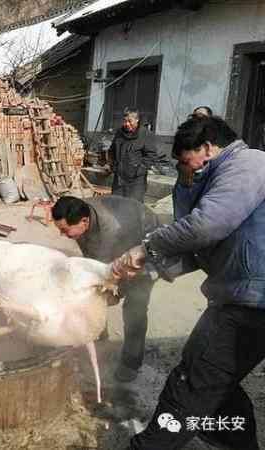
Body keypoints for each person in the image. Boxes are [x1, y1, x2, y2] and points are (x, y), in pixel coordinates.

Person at [114, 116, 265, 450]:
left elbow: (205, 226)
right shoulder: (217, 175)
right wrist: (151, 270)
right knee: (219, 381)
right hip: (241, 297)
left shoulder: (249, 164)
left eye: (185, 161)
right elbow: (201, 249)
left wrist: (147, 246)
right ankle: (235, 441)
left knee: (190, 382)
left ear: (208, 148)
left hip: (249, 301)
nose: (184, 169)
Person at [52, 195, 159, 382]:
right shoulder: (81, 214)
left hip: (146, 241)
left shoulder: (111, 230)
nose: (63, 235)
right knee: (96, 295)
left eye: (65, 230)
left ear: (84, 222)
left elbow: (110, 270)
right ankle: (101, 346)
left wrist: (114, 289)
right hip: (118, 241)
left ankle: (130, 363)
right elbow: (92, 258)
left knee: (135, 307)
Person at [107, 107, 159, 203]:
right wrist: (113, 165)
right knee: (116, 206)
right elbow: (112, 150)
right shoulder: (119, 133)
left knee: (133, 209)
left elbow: (151, 156)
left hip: (136, 182)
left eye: (130, 121)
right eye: (124, 121)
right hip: (119, 179)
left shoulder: (145, 134)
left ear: (137, 120)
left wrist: (138, 170)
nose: (126, 124)